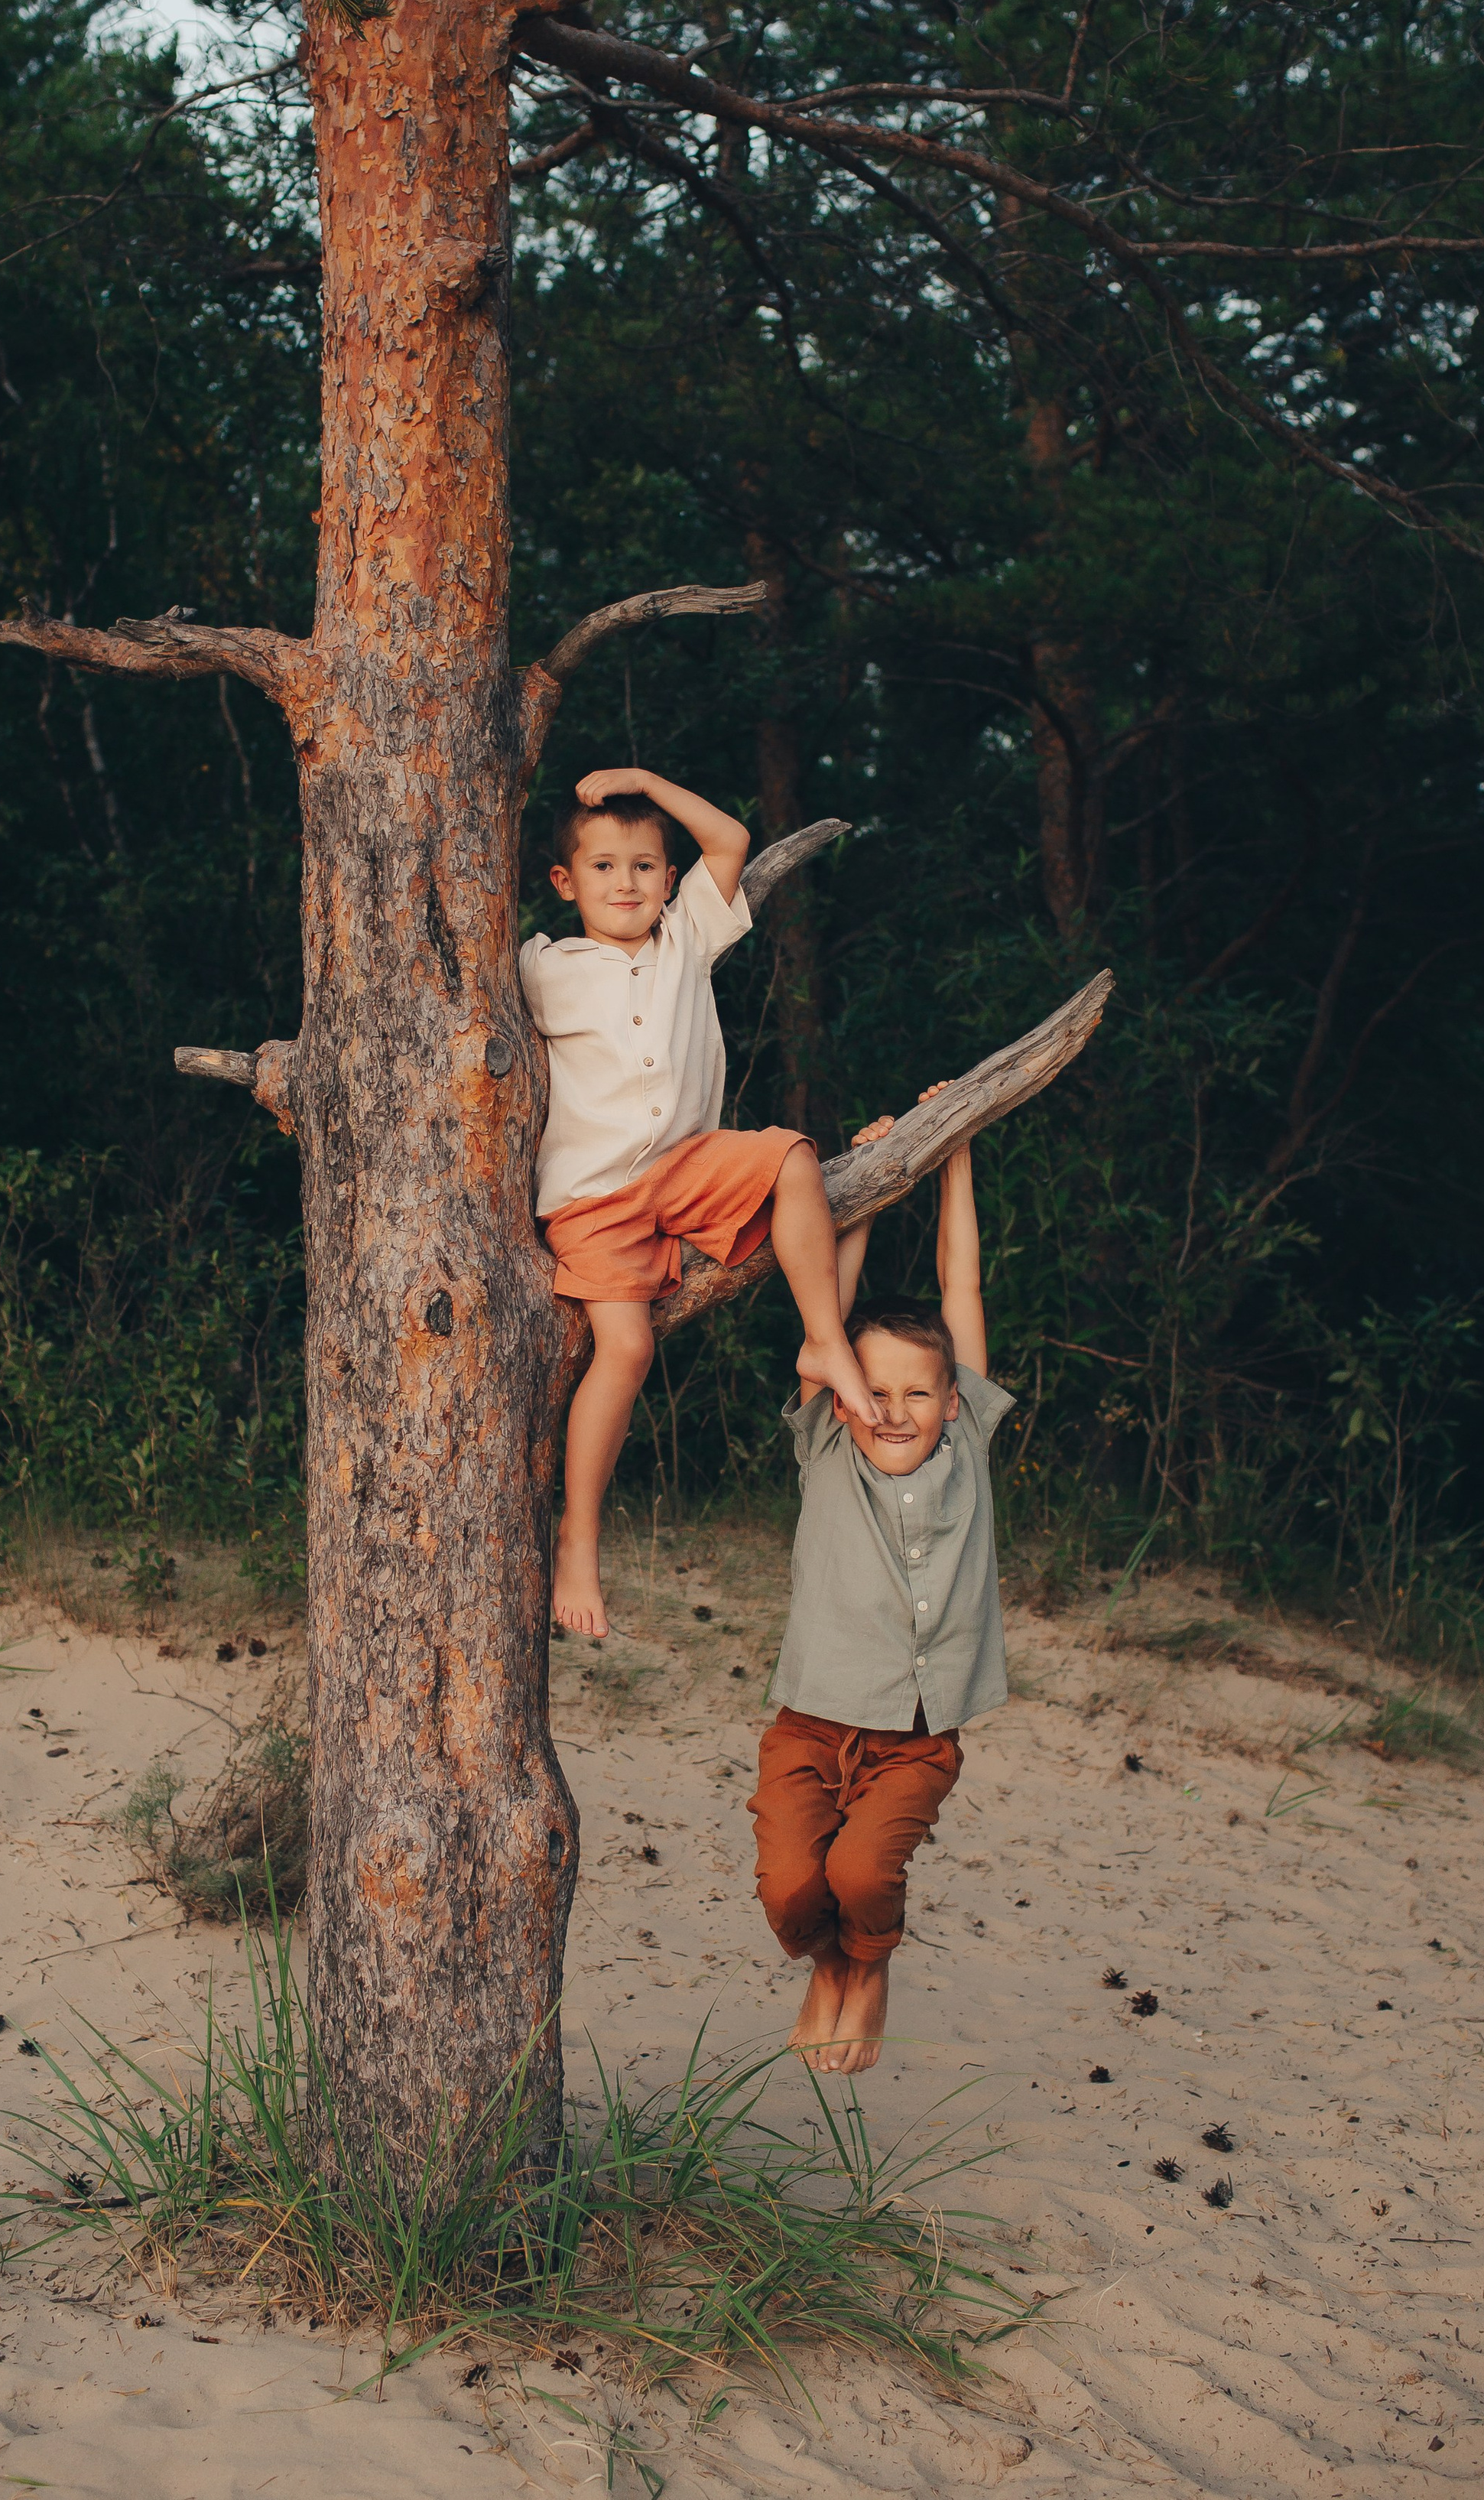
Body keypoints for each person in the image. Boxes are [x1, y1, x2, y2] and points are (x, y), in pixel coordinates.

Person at [521, 767, 885, 1640]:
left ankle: (824, 1344)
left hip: (685, 1165)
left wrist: (644, 780)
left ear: (667, 880)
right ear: (566, 884)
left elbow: (729, 840)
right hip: (595, 1195)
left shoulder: (687, 937)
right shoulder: (541, 965)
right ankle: (579, 1537)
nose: (626, 883)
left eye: (645, 866)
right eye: (604, 867)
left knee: (792, 1157)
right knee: (628, 1347)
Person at [749, 1089, 1016, 2075]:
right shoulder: (829, 1445)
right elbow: (828, 1306)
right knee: (788, 1890)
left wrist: (948, 1156)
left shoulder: (969, 1445)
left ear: (953, 1402)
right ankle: (827, 1963)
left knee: (863, 1875)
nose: (895, 1412)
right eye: (878, 1391)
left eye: (919, 1393)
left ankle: (865, 1967)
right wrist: (860, 1193)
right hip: (809, 1723)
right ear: (844, 1393)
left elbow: (963, 1292)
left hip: (915, 1736)